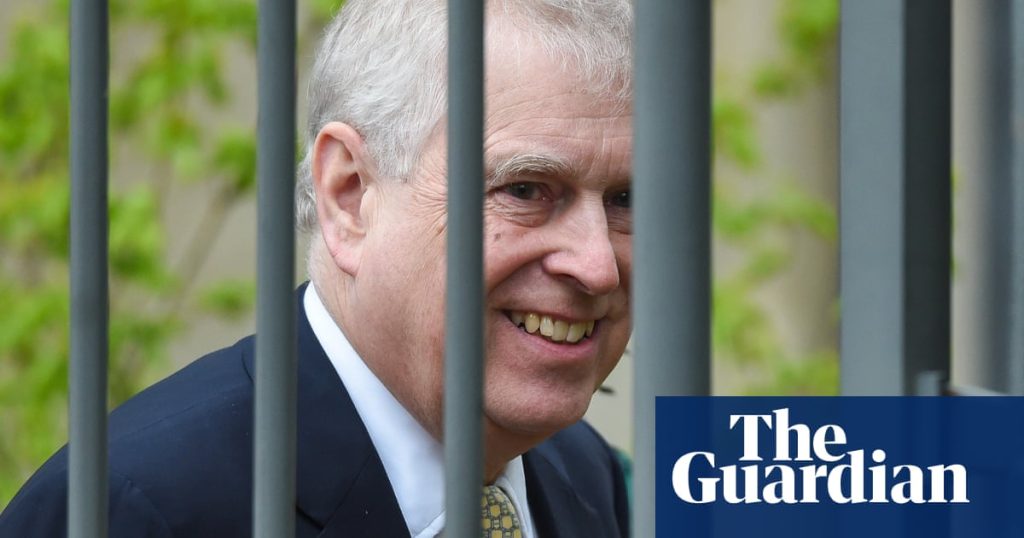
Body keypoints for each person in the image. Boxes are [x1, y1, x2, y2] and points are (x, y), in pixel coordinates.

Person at [0, 0, 634, 536]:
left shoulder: (581, 472)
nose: (597, 266)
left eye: (626, 199)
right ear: (349, 194)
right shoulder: (133, 510)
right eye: (525, 190)